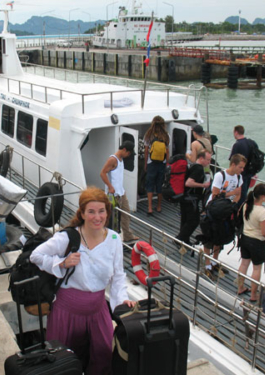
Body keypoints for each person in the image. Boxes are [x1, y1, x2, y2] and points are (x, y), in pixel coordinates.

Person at [30, 187, 135, 374]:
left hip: (98, 310)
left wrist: (121, 303)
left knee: (103, 356)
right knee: (64, 361)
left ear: (107, 212)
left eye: (101, 211)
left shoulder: (114, 239)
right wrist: (61, 263)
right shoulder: (67, 238)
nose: (97, 217)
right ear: (82, 213)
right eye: (91, 212)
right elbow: (36, 256)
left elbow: (118, 276)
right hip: (67, 312)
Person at [203, 153, 246, 280]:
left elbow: (239, 195)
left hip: (226, 210)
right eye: (240, 167)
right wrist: (232, 193)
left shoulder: (239, 178)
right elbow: (215, 194)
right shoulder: (219, 176)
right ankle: (207, 265)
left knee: (220, 237)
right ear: (233, 164)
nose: (242, 170)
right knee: (209, 238)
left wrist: (233, 205)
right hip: (214, 210)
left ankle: (215, 262)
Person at [237, 184, 265, 303]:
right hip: (257, 242)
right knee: (256, 268)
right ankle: (254, 294)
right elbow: (264, 232)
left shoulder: (246, 205)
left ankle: (240, 287)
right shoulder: (263, 212)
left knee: (244, 264)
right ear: (263, 197)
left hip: (245, 238)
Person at [100, 141, 139, 242]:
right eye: (129, 153)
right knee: (112, 218)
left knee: (126, 214)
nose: (129, 155)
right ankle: (107, 237)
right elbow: (103, 173)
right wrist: (110, 186)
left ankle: (127, 236)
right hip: (113, 194)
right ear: (124, 149)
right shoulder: (113, 160)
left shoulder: (121, 159)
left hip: (121, 192)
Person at [176, 150, 212, 246]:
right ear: (201, 158)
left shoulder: (192, 166)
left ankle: (184, 240)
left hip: (184, 196)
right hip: (191, 199)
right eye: (207, 160)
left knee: (185, 219)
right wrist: (203, 185)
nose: (209, 162)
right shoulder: (198, 169)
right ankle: (180, 239)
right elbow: (188, 182)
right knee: (194, 221)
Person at [143, 116, 170, 215]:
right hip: (162, 164)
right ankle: (159, 206)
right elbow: (167, 151)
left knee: (150, 185)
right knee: (159, 185)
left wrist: (145, 164)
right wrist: (167, 163)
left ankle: (149, 208)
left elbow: (146, 151)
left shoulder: (148, 135)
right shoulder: (166, 136)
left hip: (151, 163)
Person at [229, 125, 258, 207]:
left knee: (239, 194)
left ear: (236, 132)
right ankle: (242, 208)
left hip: (240, 174)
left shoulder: (237, 145)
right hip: (249, 173)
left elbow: (232, 161)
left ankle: (237, 210)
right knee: (244, 193)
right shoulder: (251, 143)